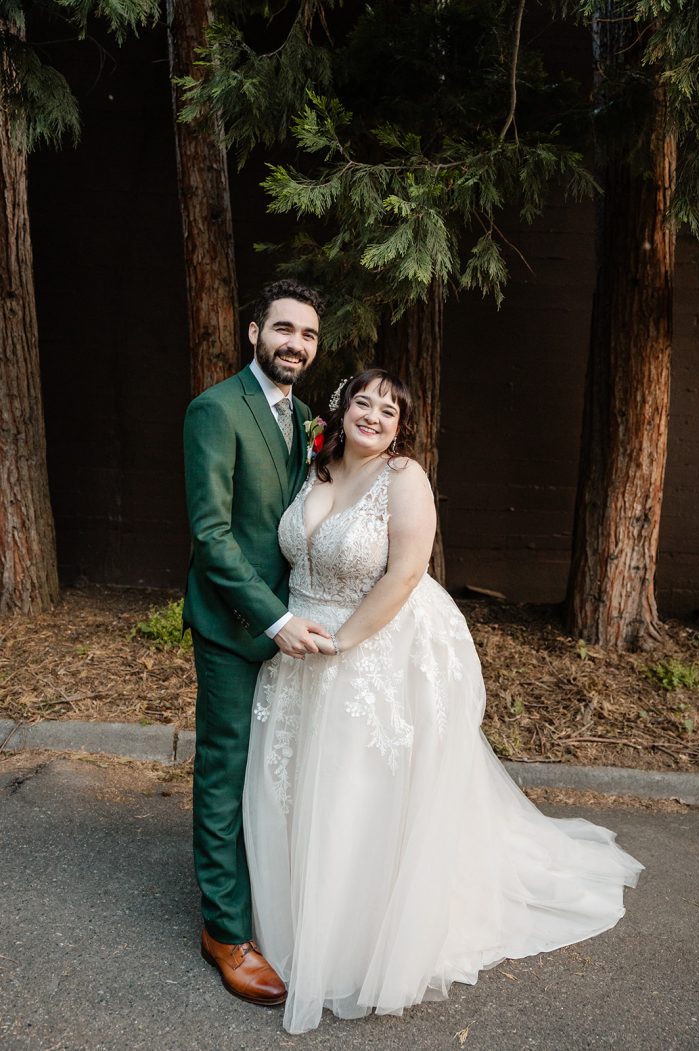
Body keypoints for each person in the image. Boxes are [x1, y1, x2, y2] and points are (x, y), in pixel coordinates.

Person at [242, 368, 644, 1034]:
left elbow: (404, 573)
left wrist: (342, 643)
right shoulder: (312, 473)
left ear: (401, 429)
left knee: (357, 789)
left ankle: (360, 936)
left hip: (368, 648)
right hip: (298, 645)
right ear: (340, 411)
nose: (372, 415)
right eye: (362, 402)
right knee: (299, 784)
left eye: (388, 411)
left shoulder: (404, 480)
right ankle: (294, 912)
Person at [182, 279, 331, 1006]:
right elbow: (211, 534)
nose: (293, 344)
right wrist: (273, 618)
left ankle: (270, 893)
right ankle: (224, 931)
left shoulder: (305, 418)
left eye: (306, 334)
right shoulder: (215, 410)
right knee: (224, 769)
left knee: (273, 772)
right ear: (253, 332)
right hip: (236, 625)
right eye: (282, 329)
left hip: (298, 626)